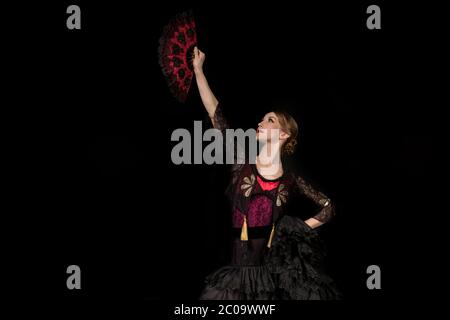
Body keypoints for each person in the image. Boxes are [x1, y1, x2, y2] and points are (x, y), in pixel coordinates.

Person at [192, 47, 341, 300]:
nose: (261, 122)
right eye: (262, 119)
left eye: (270, 120)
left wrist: (295, 229)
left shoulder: (291, 180)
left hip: (272, 280)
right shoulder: (242, 162)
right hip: (235, 278)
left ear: (284, 134)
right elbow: (215, 113)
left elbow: (328, 208)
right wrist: (198, 70)